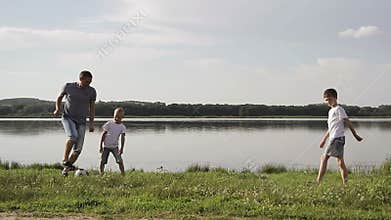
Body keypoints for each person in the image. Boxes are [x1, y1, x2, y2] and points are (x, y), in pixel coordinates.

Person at [53, 70, 97, 176]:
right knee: (73, 136)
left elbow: (92, 108)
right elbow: (59, 98)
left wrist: (91, 123)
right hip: (68, 118)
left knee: (78, 149)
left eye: (90, 82)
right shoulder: (68, 86)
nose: (88, 84)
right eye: (86, 81)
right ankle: (64, 159)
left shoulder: (91, 91)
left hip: (82, 121)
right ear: (80, 79)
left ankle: (65, 170)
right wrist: (58, 109)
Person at [316, 88, 363, 184]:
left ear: (334, 98)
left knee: (324, 158)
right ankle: (346, 184)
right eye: (326, 100)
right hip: (336, 139)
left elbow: (348, 122)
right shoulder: (330, 111)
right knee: (340, 162)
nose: (327, 102)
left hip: (337, 139)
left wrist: (355, 135)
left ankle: (318, 182)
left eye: (329, 99)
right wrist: (324, 140)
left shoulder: (339, 109)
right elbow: (331, 128)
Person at [99, 107, 126, 176]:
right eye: (116, 116)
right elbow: (103, 134)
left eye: (119, 117)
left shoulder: (122, 127)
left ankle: (123, 174)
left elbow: (123, 138)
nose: (117, 118)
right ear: (114, 115)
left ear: (122, 117)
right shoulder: (109, 124)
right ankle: (101, 174)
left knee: (120, 161)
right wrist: (100, 146)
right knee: (103, 161)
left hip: (115, 147)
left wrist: (122, 148)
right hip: (106, 146)